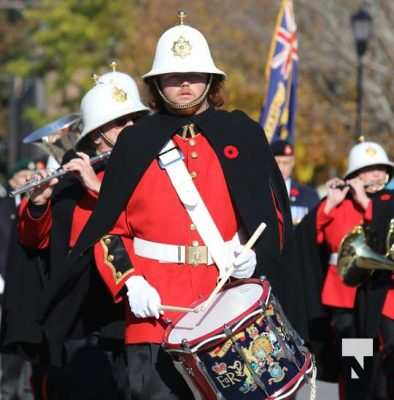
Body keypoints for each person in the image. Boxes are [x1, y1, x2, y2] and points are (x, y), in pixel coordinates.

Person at [37, 13, 310, 400]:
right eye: (173, 76)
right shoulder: (135, 143)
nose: (184, 83)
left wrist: (256, 256)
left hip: (228, 308)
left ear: (211, 79)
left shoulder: (243, 133)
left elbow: (275, 217)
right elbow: (108, 229)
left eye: (194, 74)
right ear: (156, 83)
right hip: (154, 315)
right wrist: (129, 280)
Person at [15, 68, 149, 399]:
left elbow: (143, 222)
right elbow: (37, 243)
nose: (130, 127)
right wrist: (39, 204)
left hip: (139, 312)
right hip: (84, 324)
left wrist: (97, 188)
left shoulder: (153, 168)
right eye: (119, 122)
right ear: (97, 135)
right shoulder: (73, 183)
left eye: (134, 118)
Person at [314, 140, 394, 399]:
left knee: (383, 363)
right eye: (370, 169)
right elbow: (314, 238)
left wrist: (366, 203)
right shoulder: (341, 203)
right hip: (346, 296)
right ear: (354, 175)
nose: (377, 174)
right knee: (356, 365)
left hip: (381, 297)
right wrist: (328, 205)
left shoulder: (388, 202)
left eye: (381, 169)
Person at [270, 139, 320, 224]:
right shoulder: (261, 192)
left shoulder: (308, 195)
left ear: (293, 162)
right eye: (277, 163)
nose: (281, 168)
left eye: (286, 163)